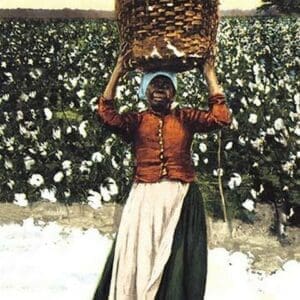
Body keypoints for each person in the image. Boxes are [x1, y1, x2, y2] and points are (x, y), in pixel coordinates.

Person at [93, 52, 232, 300]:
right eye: (154, 84)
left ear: (173, 93)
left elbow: (221, 118)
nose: (160, 90)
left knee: (174, 259)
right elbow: (106, 113)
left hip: (180, 198)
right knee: (143, 255)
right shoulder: (137, 121)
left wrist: (209, 74)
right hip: (145, 198)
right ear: (145, 90)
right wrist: (117, 71)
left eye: (166, 85)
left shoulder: (184, 118)